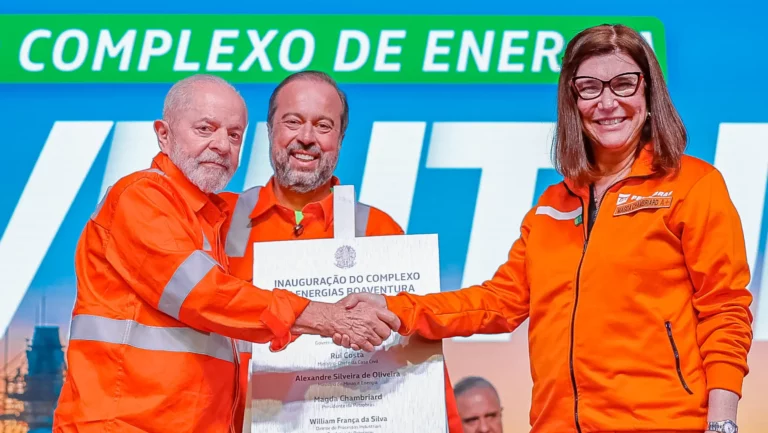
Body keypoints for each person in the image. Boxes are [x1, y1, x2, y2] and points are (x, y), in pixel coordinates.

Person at [336, 24, 754, 433]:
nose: (607, 102)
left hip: (663, 424)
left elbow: (725, 310)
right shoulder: (552, 206)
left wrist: (721, 422)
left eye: (623, 83)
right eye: (589, 87)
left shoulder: (692, 185)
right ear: (572, 100)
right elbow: (497, 303)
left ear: (648, 91)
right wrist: (396, 309)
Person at [53, 74, 399, 433]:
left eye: (234, 135)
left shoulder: (213, 220)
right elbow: (205, 295)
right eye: (205, 129)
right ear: (164, 134)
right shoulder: (141, 198)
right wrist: (327, 318)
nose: (221, 145)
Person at [219, 70, 463, 433]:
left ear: (341, 138)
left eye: (323, 126)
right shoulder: (219, 221)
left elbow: (419, 357)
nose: (306, 138)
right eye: (293, 121)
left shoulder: (379, 230)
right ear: (269, 130)